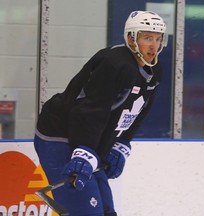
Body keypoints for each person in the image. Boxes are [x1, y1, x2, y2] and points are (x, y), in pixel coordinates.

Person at [34, 10, 167, 216]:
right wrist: (84, 151)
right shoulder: (115, 63)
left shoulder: (154, 70)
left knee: (106, 211)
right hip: (59, 134)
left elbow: (139, 110)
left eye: (158, 39)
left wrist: (121, 143)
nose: (154, 45)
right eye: (147, 38)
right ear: (131, 39)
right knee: (86, 212)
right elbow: (90, 111)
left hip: (88, 138)